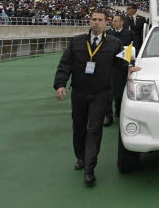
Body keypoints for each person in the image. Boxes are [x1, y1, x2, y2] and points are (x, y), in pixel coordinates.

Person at [53, 10, 140, 185]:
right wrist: (60, 84)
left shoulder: (114, 43)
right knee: (79, 128)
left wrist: (129, 67)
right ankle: (81, 157)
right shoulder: (77, 41)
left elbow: (120, 62)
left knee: (94, 129)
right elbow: (66, 63)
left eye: (100, 20)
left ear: (105, 23)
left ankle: (89, 168)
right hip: (79, 92)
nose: (96, 23)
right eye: (94, 19)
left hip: (100, 93)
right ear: (89, 21)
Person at [104, 14, 134, 126]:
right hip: (109, 66)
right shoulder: (108, 34)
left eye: (116, 21)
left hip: (121, 66)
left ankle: (118, 109)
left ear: (121, 22)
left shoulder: (129, 34)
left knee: (120, 91)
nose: (113, 23)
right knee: (107, 92)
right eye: (113, 21)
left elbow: (130, 49)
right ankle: (108, 116)